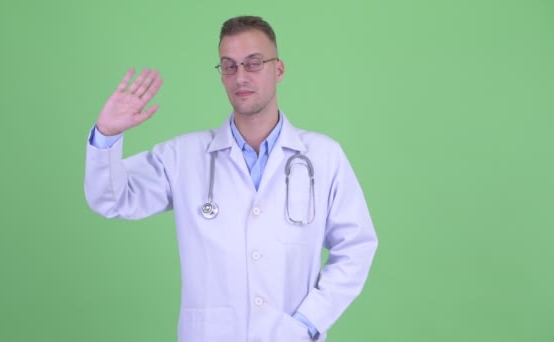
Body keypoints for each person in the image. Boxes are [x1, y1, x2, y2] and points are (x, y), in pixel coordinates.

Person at [85, 15, 378, 342]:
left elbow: (357, 246)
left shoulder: (323, 156)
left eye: (253, 63)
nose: (240, 76)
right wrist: (106, 135)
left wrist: (309, 321)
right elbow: (112, 200)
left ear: (278, 69)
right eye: (229, 66)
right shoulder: (184, 156)